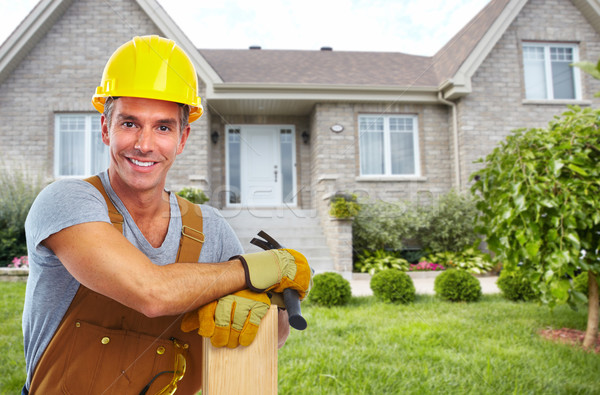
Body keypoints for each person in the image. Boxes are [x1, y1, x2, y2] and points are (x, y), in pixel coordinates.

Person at [21, 35, 311, 394]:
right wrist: (251, 271)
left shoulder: (211, 230)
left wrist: (273, 301)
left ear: (183, 138)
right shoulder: (68, 201)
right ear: (105, 129)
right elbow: (151, 292)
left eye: (162, 127)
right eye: (129, 123)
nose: (144, 144)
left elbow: (272, 340)